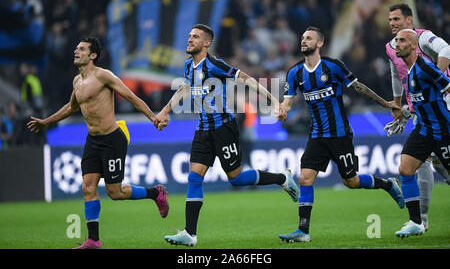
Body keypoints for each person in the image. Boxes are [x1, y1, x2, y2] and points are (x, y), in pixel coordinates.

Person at [155, 24, 299, 247]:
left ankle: (282, 178)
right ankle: (190, 234)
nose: (190, 39)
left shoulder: (215, 65)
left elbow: (248, 80)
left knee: (237, 179)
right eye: (189, 35)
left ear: (206, 43)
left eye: (195, 37)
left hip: (224, 128)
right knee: (194, 178)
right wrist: (165, 110)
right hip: (203, 129)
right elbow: (185, 88)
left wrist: (276, 102)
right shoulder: (188, 66)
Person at [27, 37, 169, 249]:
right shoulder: (78, 81)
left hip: (112, 139)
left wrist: (154, 117)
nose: (77, 51)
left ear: (92, 55)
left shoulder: (104, 76)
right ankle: (93, 240)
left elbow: (130, 97)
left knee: (115, 193)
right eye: (76, 48)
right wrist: (46, 122)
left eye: (82, 49)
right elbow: (71, 107)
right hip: (92, 140)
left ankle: (155, 193)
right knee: (88, 187)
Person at [277, 26, 404, 243]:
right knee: (305, 178)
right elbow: (288, 100)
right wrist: (283, 109)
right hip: (316, 135)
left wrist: (385, 103)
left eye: (309, 38)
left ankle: (388, 184)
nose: (304, 41)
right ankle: (303, 231)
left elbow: (359, 88)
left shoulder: (333, 66)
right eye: (302, 38)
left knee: (351, 181)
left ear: (319, 44)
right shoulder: (294, 72)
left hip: (339, 134)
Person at [384, 3, 450, 230]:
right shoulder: (392, 49)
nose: (392, 23)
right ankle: (419, 219)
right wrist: (398, 106)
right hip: (421, 115)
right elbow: (395, 74)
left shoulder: (424, 39)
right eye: (390, 19)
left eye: (396, 19)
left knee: (438, 163)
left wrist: (437, 81)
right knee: (413, 166)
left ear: (409, 20)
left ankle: (420, 218)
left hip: (442, 112)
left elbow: (447, 51)